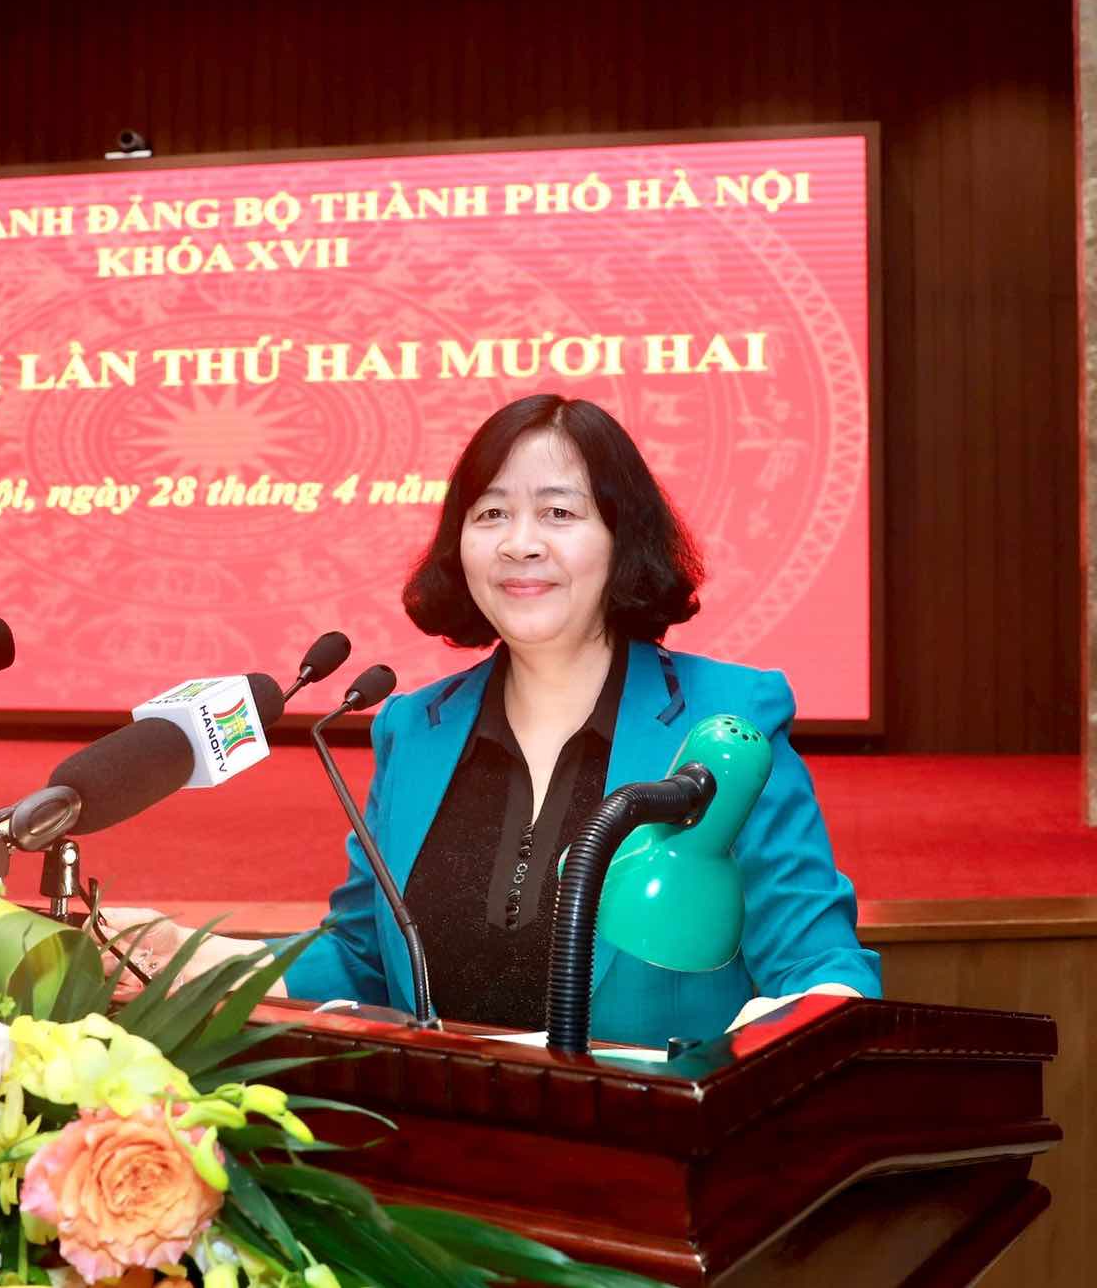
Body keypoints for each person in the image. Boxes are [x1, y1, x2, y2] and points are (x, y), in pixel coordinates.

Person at [106, 394, 880, 1048]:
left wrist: (764, 1052)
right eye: (492, 513)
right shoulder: (414, 730)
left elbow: (818, 967)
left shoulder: (726, 722)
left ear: (622, 537)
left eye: (558, 512)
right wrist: (203, 959)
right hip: (457, 1148)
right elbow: (366, 959)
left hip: (657, 1149)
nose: (519, 543)